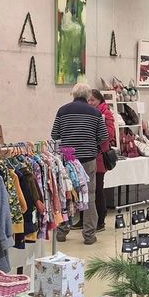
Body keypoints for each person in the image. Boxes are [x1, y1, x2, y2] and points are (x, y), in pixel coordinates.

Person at [51, 82, 108, 245]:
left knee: (66, 195)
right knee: (89, 195)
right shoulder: (95, 113)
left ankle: (62, 232)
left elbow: (54, 135)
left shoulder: (62, 111)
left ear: (74, 95)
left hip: (68, 159)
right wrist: (91, 143)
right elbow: (103, 136)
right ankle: (89, 235)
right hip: (89, 159)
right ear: (88, 96)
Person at [90, 89, 116, 232]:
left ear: (100, 100)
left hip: (99, 156)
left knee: (98, 189)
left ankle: (101, 220)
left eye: (93, 100)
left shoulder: (106, 113)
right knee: (86, 190)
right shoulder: (90, 112)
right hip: (90, 155)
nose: (90, 103)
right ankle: (84, 219)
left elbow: (109, 134)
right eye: (88, 100)